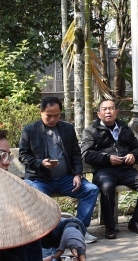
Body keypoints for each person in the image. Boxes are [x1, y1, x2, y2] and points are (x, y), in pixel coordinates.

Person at [20, 97, 104, 243]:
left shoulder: (67, 129)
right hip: (40, 179)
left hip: (65, 178)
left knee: (91, 189)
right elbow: (23, 156)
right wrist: (41, 163)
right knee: (40, 199)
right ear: (41, 112)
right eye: (49, 115)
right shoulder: (30, 130)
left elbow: (75, 153)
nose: (53, 119)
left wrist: (78, 174)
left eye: (56, 115)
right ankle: (46, 234)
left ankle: (79, 230)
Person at [81, 99, 138, 238]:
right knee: (107, 186)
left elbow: (137, 148)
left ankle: (136, 221)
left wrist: (133, 155)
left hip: (126, 170)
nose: (108, 111)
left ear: (116, 112)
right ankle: (110, 226)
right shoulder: (91, 131)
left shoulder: (124, 128)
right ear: (99, 114)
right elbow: (86, 154)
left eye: (111, 108)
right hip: (104, 172)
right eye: (105, 109)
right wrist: (107, 158)